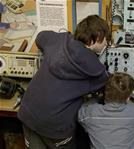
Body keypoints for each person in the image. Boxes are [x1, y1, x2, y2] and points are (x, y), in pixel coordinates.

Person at [17, 15, 111, 149]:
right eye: (105, 40)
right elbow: (107, 83)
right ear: (94, 39)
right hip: (55, 127)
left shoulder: (59, 39)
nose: (106, 43)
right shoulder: (96, 70)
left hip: (28, 113)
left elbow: (40, 37)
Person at [78, 72, 134, 149]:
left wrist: (97, 98)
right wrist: (133, 100)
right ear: (128, 96)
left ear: (105, 92)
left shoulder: (90, 114)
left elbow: (82, 111)